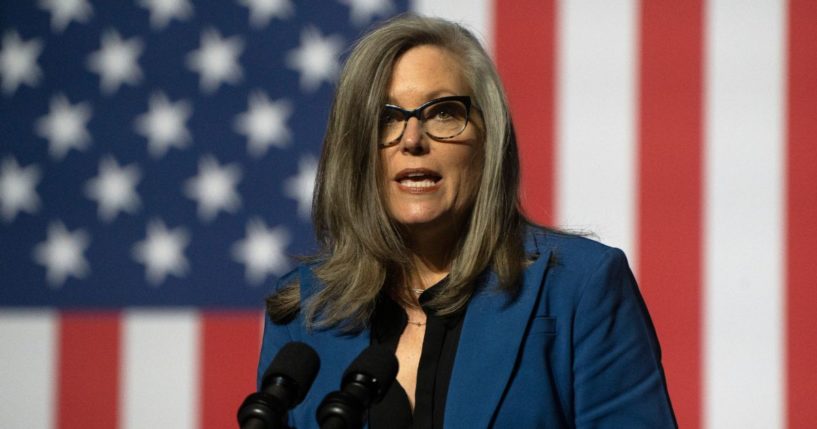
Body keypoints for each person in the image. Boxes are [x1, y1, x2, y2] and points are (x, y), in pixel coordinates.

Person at [257, 15, 677, 428]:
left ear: (489, 139)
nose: (412, 140)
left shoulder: (578, 287)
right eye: (386, 118)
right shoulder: (304, 309)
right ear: (354, 150)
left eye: (442, 112)